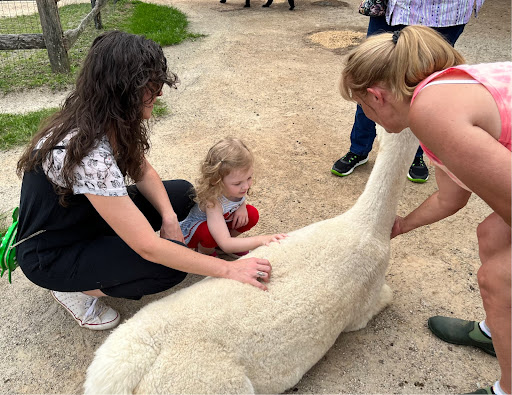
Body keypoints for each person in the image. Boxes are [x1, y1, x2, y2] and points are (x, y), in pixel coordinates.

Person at [15, 31, 275, 332]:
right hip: (50, 251)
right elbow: (148, 247)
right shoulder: (89, 154)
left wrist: (169, 218)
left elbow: (144, 171)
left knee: (182, 194)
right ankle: (75, 288)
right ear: (124, 90)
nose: (160, 93)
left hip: (78, 217)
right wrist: (229, 269)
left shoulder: (103, 120)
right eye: (152, 86)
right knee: (166, 268)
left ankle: (104, 256)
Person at [339, 26, 510, 394]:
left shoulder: (430, 112)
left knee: (497, 278)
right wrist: (401, 225)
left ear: (376, 97)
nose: (367, 115)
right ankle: (498, 332)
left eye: (362, 107)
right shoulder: (442, 91)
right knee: (493, 233)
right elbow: (451, 197)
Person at [331, 0, 485, 183]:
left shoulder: (472, 150)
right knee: (368, 79)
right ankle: (359, 149)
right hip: (395, 8)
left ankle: (417, 153)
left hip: (444, 13)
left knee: (423, 88)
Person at [180, 137, 287, 257]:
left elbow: (239, 199)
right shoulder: (212, 202)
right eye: (237, 183)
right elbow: (225, 242)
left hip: (221, 222)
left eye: (249, 178)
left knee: (251, 214)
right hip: (196, 230)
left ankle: (225, 244)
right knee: (209, 233)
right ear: (217, 181)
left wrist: (242, 206)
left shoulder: (235, 188)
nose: (246, 186)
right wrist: (262, 240)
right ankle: (206, 252)